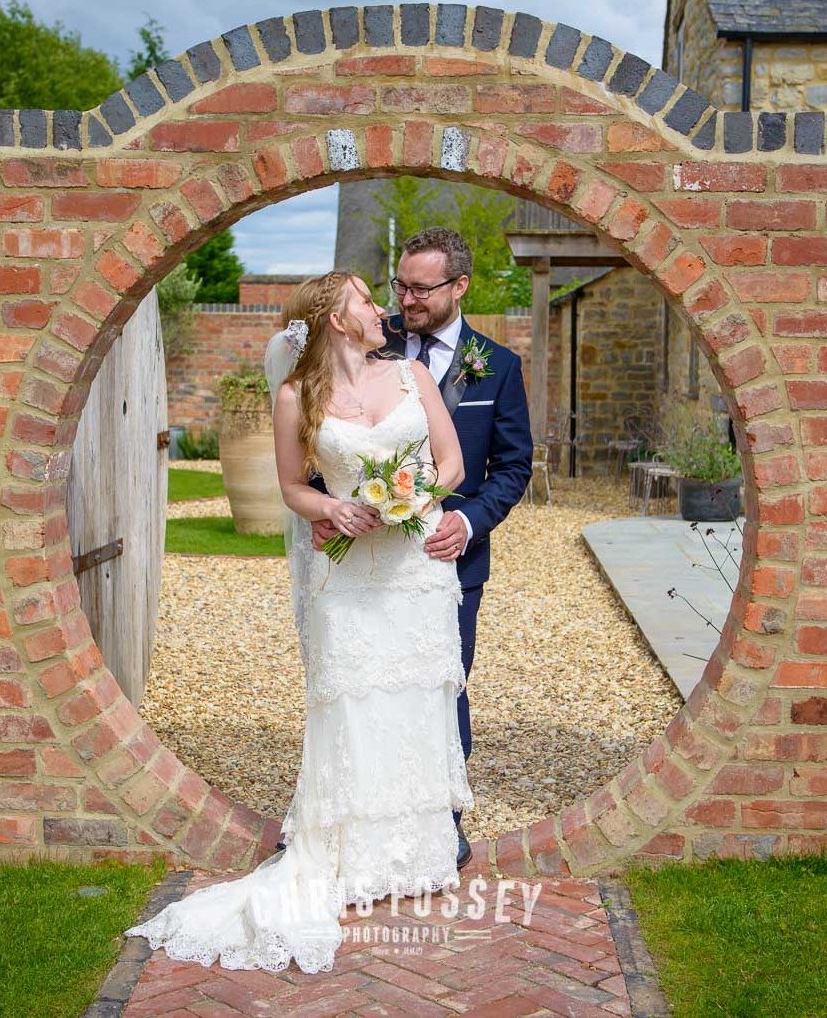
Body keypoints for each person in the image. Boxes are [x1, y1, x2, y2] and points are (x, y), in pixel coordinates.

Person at [126, 271, 473, 973]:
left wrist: (410, 501)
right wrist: (332, 510)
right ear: (336, 320)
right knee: (350, 704)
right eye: (367, 300)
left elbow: (452, 462)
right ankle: (347, 856)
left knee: (413, 700)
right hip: (346, 578)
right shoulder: (295, 397)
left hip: (415, 572)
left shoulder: (412, 376)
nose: (383, 308)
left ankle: (414, 853)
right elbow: (291, 487)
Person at [314, 228, 533, 869]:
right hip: (358, 555)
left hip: (445, 558)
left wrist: (469, 525)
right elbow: (316, 430)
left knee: (441, 685)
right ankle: (348, 813)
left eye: (420, 288)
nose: (404, 299)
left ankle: (442, 819)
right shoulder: (361, 339)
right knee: (359, 684)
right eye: (399, 286)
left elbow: (512, 468)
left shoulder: (498, 366)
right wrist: (321, 507)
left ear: (459, 286)